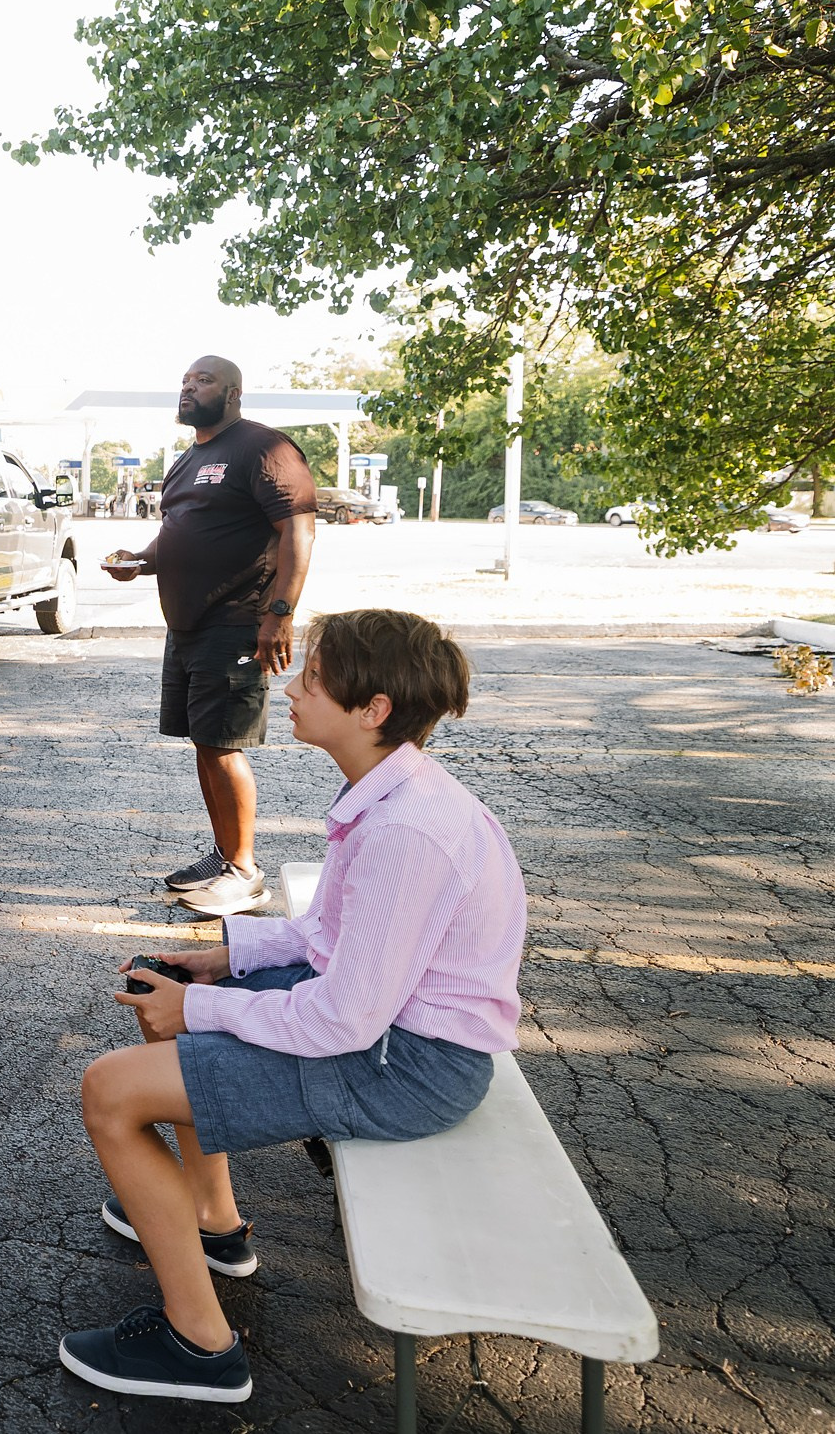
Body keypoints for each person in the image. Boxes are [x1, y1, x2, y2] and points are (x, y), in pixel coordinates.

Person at [54, 609, 524, 1403]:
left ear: (372, 709)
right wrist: (221, 960)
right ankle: (212, 1219)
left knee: (109, 1090)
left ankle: (200, 1346)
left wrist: (200, 1011)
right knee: (183, 996)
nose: (291, 686)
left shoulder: (407, 831)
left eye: (313, 677)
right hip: (394, 1036)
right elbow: (325, 935)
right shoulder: (391, 792)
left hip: (409, 1067)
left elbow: (344, 1018)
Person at [101, 356, 317, 915]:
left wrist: (280, 613)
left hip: (237, 620)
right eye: (185, 381)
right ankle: (225, 856)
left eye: (204, 381)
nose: (189, 388)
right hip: (188, 625)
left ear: (233, 393)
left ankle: (245, 872)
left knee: (224, 745)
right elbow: (180, 531)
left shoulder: (264, 448)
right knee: (205, 742)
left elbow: (297, 529)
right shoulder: (186, 460)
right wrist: (140, 561)